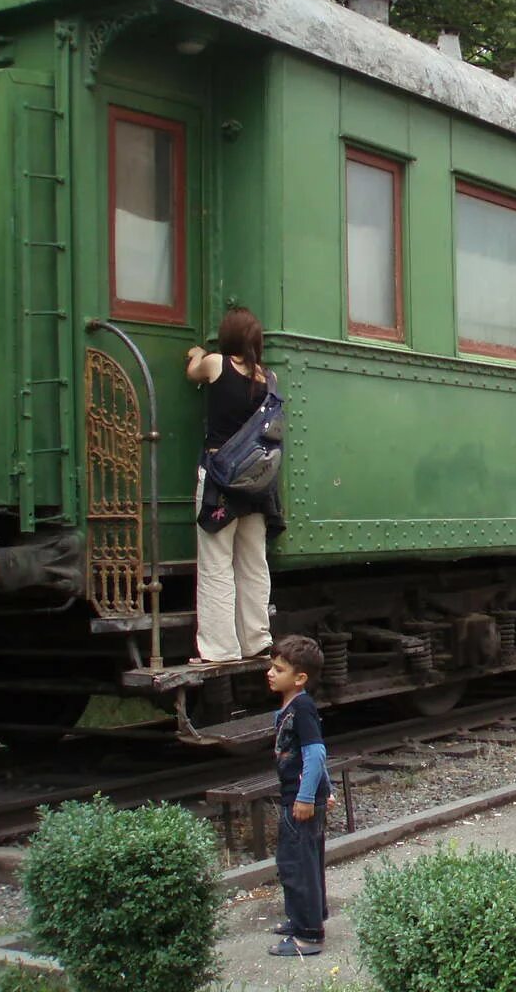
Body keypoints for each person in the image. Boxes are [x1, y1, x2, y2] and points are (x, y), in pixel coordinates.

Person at [186, 307, 283, 664]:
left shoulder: (216, 364)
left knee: (215, 563)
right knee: (254, 562)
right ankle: (257, 639)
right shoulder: (267, 378)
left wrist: (195, 353)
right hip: (256, 486)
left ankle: (220, 648)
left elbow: (192, 371)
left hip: (221, 480)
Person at [265, 635, 332, 957]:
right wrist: (327, 791)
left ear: (300, 678)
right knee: (305, 860)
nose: (270, 673)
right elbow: (314, 752)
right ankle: (306, 917)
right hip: (304, 795)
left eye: (278, 669)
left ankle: (308, 935)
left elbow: (316, 754)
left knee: (296, 864)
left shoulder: (302, 707)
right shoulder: (294, 706)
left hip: (299, 800)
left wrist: (307, 798)